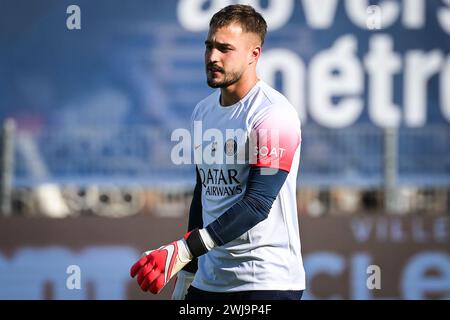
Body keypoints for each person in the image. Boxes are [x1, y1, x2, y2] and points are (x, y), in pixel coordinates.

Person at [130, 4, 305, 300]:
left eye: (225, 49)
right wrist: (188, 271)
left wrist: (183, 250)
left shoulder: (273, 114)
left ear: (254, 55)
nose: (213, 57)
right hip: (209, 282)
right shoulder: (203, 112)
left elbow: (258, 204)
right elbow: (204, 193)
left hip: (265, 283)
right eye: (209, 46)